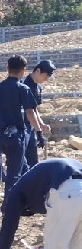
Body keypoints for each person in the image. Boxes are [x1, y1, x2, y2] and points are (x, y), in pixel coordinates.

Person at [0, 55, 43, 198]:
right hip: (15, 136)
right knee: (14, 173)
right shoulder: (22, 88)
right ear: (23, 70)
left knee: (22, 168)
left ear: (7, 68)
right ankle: (9, 205)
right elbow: (30, 112)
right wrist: (38, 132)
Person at [21, 60, 54, 168]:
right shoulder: (23, 84)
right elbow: (28, 111)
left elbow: (34, 109)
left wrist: (41, 124)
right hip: (20, 127)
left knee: (33, 160)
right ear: (38, 71)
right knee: (21, 162)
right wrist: (38, 130)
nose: (47, 79)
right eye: (46, 76)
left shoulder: (38, 87)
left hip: (31, 126)